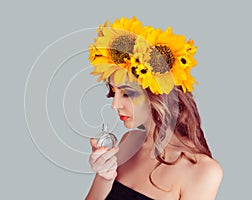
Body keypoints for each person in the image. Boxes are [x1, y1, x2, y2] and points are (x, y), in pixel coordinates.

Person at [85, 16, 223, 200]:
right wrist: (104, 177)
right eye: (113, 92)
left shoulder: (203, 171)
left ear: (159, 94)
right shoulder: (129, 142)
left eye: (127, 94)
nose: (115, 105)